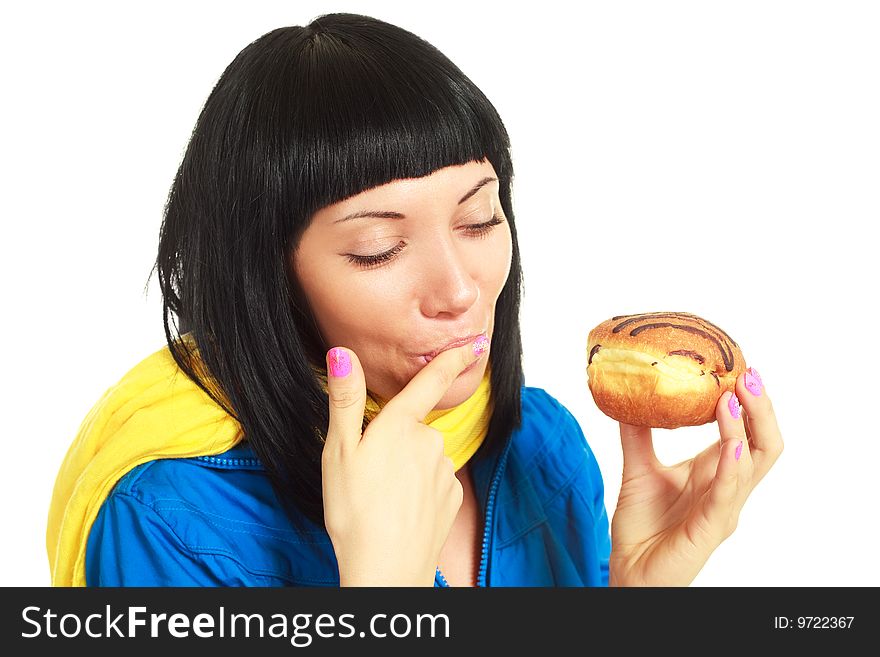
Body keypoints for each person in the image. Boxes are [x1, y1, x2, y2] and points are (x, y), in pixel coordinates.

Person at [46, 13, 783, 587]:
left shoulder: (541, 446)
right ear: (267, 278)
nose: (460, 289)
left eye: (479, 218)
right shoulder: (164, 518)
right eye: (378, 249)